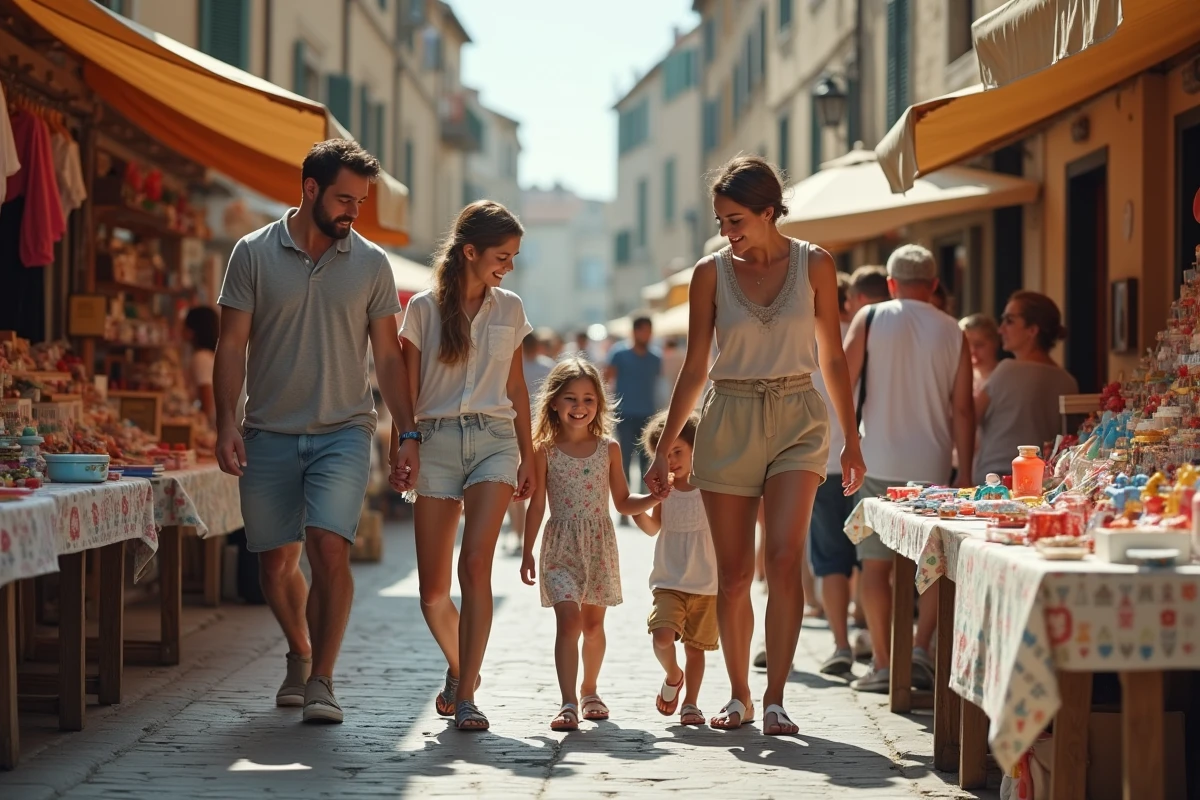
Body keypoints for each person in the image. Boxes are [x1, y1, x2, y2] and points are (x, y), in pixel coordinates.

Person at [646, 155, 866, 735]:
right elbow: (695, 367)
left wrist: (853, 438)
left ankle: (775, 698)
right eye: (721, 220)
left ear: (770, 211)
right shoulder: (708, 273)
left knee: (785, 559)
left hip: (799, 415)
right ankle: (739, 695)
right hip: (729, 417)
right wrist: (665, 445)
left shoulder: (816, 264)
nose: (727, 230)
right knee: (737, 574)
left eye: (736, 218)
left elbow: (833, 357)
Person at [214, 139, 419, 724]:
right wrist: (225, 421)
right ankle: (300, 653)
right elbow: (230, 345)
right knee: (275, 562)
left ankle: (324, 681)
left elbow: (386, 357)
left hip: (344, 430)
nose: (353, 211)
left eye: (360, 201)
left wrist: (407, 433)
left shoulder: (372, 263)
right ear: (310, 189)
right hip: (268, 430)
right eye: (344, 199)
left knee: (330, 547)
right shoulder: (251, 254)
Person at [395, 200, 534, 732]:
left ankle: (469, 694)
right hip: (434, 442)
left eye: (515, 256)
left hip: (495, 441)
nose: (510, 266)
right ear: (470, 251)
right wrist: (402, 446)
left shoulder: (511, 307)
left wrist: (526, 455)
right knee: (432, 591)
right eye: (503, 255)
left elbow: (517, 388)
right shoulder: (424, 311)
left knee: (474, 565)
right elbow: (406, 391)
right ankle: (460, 669)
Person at [841, 244, 974, 694]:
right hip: (933, 468)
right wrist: (967, 470)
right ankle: (919, 651)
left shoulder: (871, 318)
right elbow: (963, 410)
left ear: (891, 283)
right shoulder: (953, 330)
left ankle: (881, 663)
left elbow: (844, 380)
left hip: (877, 460)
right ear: (935, 284)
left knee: (875, 568)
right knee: (932, 566)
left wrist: (848, 442)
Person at [520, 357, 657, 730]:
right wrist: (526, 551)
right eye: (570, 399)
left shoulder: (608, 449)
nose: (579, 407)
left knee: (593, 627)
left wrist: (655, 498)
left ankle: (590, 690)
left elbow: (624, 503)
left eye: (588, 400)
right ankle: (567, 703)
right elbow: (536, 506)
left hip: (599, 545)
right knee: (569, 622)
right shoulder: (544, 449)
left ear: (599, 404)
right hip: (560, 546)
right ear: (553, 402)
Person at [808, 269, 886, 676]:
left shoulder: (803, 338)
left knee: (830, 559)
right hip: (868, 458)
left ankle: (840, 643)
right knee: (869, 560)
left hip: (821, 460)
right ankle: (871, 639)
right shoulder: (868, 335)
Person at [634, 410, 719, 727]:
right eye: (664, 455)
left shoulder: (710, 488)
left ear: (696, 448)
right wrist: (639, 507)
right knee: (661, 636)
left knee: (696, 650)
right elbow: (651, 527)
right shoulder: (663, 491)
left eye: (678, 451)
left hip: (707, 584)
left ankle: (691, 704)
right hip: (669, 580)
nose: (672, 460)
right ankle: (673, 674)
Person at [975, 292, 1078, 477]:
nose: (1001, 330)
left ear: (1032, 330)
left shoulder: (1006, 370)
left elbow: (969, 416)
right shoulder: (1068, 381)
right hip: (1042, 481)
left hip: (995, 479)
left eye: (1009, 321)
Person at [503, 332, 557, 553]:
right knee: (531, 485)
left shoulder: (510, 366)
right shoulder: (548, 367)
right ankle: (521, 535)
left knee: (513, 484)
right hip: (539, 432)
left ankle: (518, 534)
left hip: (513, 429)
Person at [606, 316, 662, 512]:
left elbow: (659, 384)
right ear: (634, 331)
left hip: (648, 416)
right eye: (642, 330)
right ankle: (625, 502)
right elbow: (607, 379)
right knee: (625, 460)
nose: (645, 335)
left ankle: (641, 504)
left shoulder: (656, 357)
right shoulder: (619, 354)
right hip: (624, 414)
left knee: (647, 461)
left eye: (648, 331)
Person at [183, 306, 220, 425]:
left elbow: (207, 400)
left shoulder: (201, 358)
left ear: (192, 330)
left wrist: (200, 427)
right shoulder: (210, 355)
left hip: (210, 429)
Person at [960, 313, 1001, 395]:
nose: (972, 351)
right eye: (966, 346)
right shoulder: (959, 380)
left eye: (979, 345)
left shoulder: (1004, 377)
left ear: (995, 343)